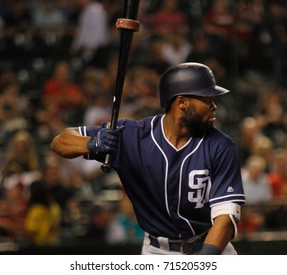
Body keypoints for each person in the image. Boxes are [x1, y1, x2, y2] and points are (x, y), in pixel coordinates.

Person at [50, 62, 246, 255]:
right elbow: (60, 141)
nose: (214, 106)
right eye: (207, 99)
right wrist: (92, 144)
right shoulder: (132, 136)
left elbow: (225, 219)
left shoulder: (221, 146)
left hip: (209, 246)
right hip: (157, 251)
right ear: (182, 103)